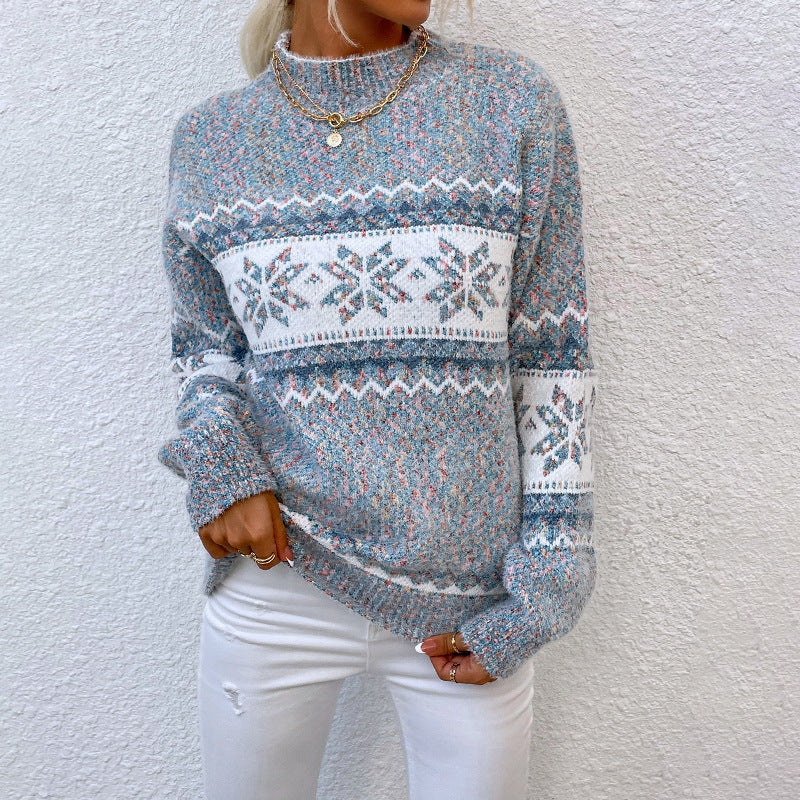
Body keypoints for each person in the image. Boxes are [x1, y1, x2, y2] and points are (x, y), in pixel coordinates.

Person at [157, 0, 599, 797]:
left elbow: (551, 357)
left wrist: (551, 577)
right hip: (279, 585)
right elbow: (205, 352)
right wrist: (223, 466)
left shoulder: (509, 104)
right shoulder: (213, 139)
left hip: (470, 606)